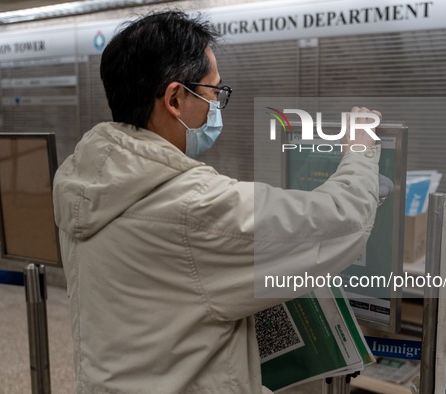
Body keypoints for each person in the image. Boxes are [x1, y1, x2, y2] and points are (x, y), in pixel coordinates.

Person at [53, 10, 381, 394]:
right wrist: (360, 152)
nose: (216, 106)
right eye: (213, 92)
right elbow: (338, 220)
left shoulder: (84, 180)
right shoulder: (192, 204)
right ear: (175, 98)